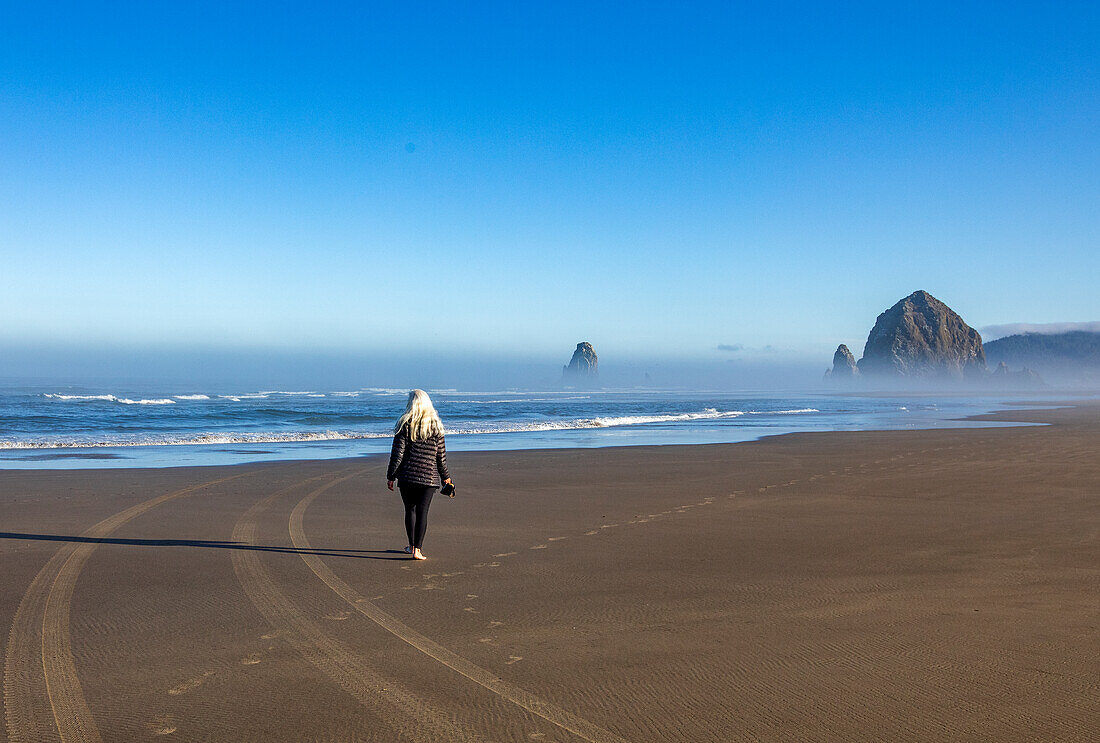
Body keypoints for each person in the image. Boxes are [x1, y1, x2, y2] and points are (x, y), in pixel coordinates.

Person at [386, 389, 453, 560]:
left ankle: (411, 546)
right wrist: (446, 476)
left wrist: (391, 476)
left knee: (410, 511)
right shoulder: (436, 426)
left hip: (407, 476)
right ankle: (418, 550)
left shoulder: (404, 424)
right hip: (429, 478)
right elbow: (441, 457)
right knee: (423, 512)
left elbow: (397, 454)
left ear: (411, 403)